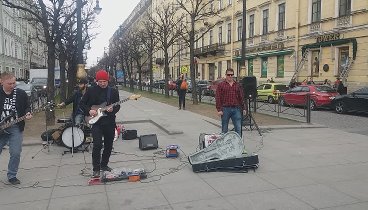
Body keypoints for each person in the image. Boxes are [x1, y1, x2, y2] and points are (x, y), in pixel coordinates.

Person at [80, 70, 120, 178]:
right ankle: (96, 169)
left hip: (110, 122)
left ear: (108, 81)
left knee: (109, 145)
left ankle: (104, 165)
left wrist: (113, 109)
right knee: (97, 145)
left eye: (105, 81)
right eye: (100, 81)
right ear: (97, 81)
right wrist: (89, 111)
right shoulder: (91, 90)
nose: (103, 83)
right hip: (96, 123)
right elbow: (82, 103)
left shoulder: (113, 92)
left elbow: (118, 105)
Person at [0, 71, 32, 185]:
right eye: (9, 83)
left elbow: (28, 106)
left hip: (14, 127)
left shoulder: (20, 93)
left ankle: (12, 175)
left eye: (14, 83)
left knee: (15, 152)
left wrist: (28, 113)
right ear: (1, 81)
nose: (13, 85)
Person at [215, 68, 247, 136]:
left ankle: (238, 145)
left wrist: (244, 108)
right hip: (225, 109)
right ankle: (224, 145)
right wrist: (219, 109)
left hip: (236, 109)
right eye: (228, 75)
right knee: (224, 129)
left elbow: (241, 97)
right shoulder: (221, 85)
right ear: (226, 75)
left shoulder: (237, 85)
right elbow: (218, 98)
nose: (230, 76)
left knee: (238, 129)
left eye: (231, 75)